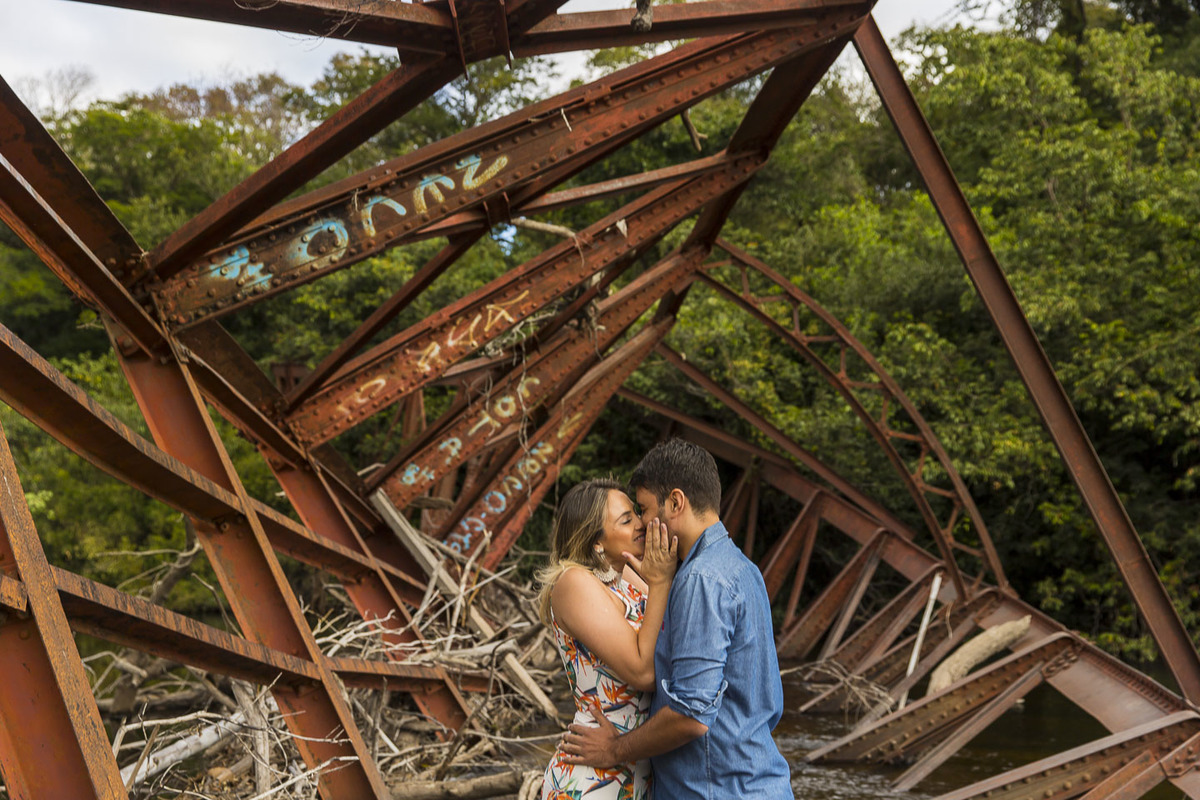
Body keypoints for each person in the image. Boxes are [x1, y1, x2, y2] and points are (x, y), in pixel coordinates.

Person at [559, 439, 793, 799]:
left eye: (644, 509)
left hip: (714, 790)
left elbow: (690, 715)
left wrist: (615, 750)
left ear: (676, 503)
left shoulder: (702, 579)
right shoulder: (741, 568)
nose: (643, 523)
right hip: (749, 782)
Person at [537, 476, 679, 799]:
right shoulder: (574, 582)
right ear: (595, 541)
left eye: (636, 513)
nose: (642, 523)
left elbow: (672, 628)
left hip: (634, 768)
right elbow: (642, 672)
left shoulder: (625, 577)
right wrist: (659, 581)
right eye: (626, 520)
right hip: (591, 777)